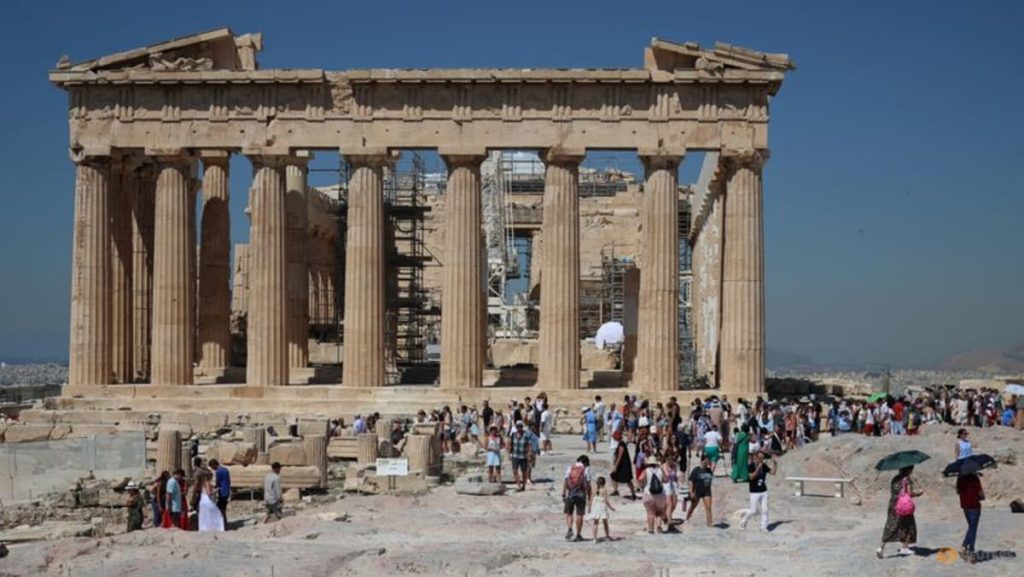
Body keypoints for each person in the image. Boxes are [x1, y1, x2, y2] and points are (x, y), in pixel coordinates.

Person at [876, 466, 923, 558]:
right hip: (903, 506)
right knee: (909, 525)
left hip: (893, 505)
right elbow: (910, 493)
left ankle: (881, 547)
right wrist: (919, 493)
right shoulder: (907, 479)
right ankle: (904, 548)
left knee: (891, 526)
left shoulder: (895, 478)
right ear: (909, 470)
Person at [740, 451, 775, 531]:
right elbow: (751, 477)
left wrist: (775, 464)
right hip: (754, 491)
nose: (761, 460)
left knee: (765, 509)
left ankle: (763, 527)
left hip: (764, 490)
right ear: (755, 457)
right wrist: (758, 469)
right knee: (753, 510)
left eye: (762, 458)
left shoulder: (764, 466)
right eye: (759, 458)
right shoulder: (750, 466)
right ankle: (744, 521)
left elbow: (773, 472)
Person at [563, 455, 592, 542]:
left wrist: (563, 494)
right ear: (586, 463)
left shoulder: (570, 468)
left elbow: (565, 482)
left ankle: (569, 528)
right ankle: (578, 535)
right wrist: (589, 497)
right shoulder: (586, 470)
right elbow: (588, 485)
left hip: (570, 494)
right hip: (581, 495)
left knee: (569, 513)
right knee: (579, 514)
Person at [956, 472, 983, 563]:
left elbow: (958, 491)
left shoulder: (960, 478)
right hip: (974, 505)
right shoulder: (974, 478)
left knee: (971, 527)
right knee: (973, 528)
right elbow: (980, 494)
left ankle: (964, 546)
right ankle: (971, 552)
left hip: (965, 506)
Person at [641, 458, 670, 534]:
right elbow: (666, 480)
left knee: (650, 512)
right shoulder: (660, 470)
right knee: (660, 511)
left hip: (648, 494)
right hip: (660, 494)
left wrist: (643, 485)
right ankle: (659, 527)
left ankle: (651, 529)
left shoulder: (646, 470)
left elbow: (640, 479)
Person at [686, 455, 715, 528]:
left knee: (708, 508)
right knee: (693, 507)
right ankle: (687, 518)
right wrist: (691, 492)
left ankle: (709, 524)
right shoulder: (696, 470)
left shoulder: (709, 470)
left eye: (708, 460)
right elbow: (691, 481)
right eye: (706, 460)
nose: (707, 462)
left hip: (707, 492)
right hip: (697, 491)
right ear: (702, 461)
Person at [609, 431, 636, 499]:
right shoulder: (620, 444)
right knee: (613, 475)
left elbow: (620, 456)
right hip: (622, 464)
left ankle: (633, 494)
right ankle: (616, 490)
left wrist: (616, 466)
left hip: (624, 465)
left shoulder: (621, 444)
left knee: (628, 480)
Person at [588, 476, 615, 542]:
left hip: (595, 507)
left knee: (595, 523)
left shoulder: (594, 489)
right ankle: (607, 536)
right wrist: (611, 508)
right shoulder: (604, 490)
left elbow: (591, 499)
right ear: (604, 483)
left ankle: (594, 538)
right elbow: (606, 500)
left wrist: (589, 507)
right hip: (602, 507)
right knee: (605, 522)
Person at [509, 421, 532, 492]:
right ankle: (519, 485)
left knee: (524, 471)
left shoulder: (526, 435)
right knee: (514, 470)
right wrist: (509, 454)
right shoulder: (513, 435)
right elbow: (510, 444)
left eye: (520, 426)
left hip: (523, 456)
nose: (519, 428)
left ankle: (523, 485)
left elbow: (529, 445)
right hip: (515, 455)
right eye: (518, 427)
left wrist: (529, 454)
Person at [210, 459, 231, 525]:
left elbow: (218, 482)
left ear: (214, 465)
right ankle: (224, 522)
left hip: (222, 492)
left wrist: (214, 487)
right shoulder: (225, 469)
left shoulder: (218, 472)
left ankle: (222, 523)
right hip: (227, 490)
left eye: (212, 467)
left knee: (220, 509)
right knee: (223, 509)